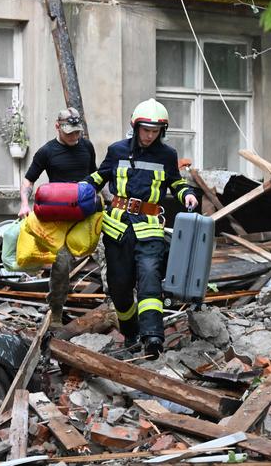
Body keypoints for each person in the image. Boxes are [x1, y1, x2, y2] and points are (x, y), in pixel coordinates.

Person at [83, 98, 198, 360]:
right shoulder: (117, 150)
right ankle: (131, 331)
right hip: (117, 227)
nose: (149, 135)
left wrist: (187, 194)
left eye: (155, 131)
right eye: (145, 130)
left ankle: (153, 337)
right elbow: (100, 177)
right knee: (120, 287)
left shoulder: (167, 155)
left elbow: (176, 184)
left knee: (149, 280)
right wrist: (78, 190)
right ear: (136, 127)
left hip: (149, 229)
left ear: (162, 131)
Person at [18, 107, 97, 326]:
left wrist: (108, 200)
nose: (75, 137)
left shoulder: (87, 147)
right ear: (57, 127)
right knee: (61, 265)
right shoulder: (47, 152)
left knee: (109, 254)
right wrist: (25, 204)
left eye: (77, 132)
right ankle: (56, 312)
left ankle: (115, 306)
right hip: (60, 219)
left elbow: (95, 176)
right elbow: (28, 180)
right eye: (70, 132)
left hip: (87, 216)